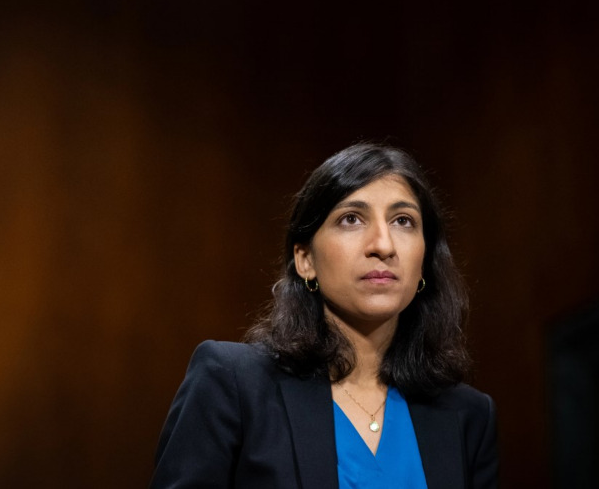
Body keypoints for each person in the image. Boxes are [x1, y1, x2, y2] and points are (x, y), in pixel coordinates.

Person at [151, 143, 498, 489]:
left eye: (403, 221)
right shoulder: (233, 382)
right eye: (351, 219)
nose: (383, 245)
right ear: (305, 260)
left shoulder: (468, 414)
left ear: (424, 261)